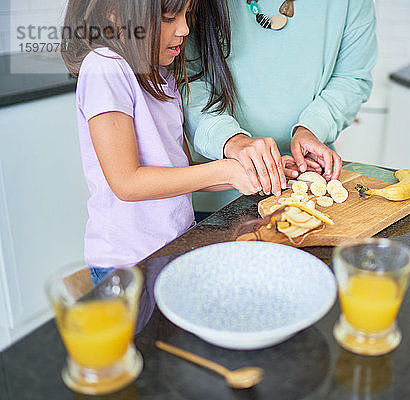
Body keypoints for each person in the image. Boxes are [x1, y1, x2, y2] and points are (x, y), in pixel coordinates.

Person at [61, 0, 257, 285]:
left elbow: (184, 170)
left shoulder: (162, 77)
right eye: (168, 17)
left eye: (186, 15)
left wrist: (251, 169)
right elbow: (127, 182)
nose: (184, 29)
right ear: (115, 14)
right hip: (127, 264)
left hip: (173, 248)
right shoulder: (105, 66)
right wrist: (226, 171)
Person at [183, 0, 377, 205]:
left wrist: (313, 127)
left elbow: (352, 78)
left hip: (307, 184)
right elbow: (187, 77)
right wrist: (229, 139)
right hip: (215, 195)